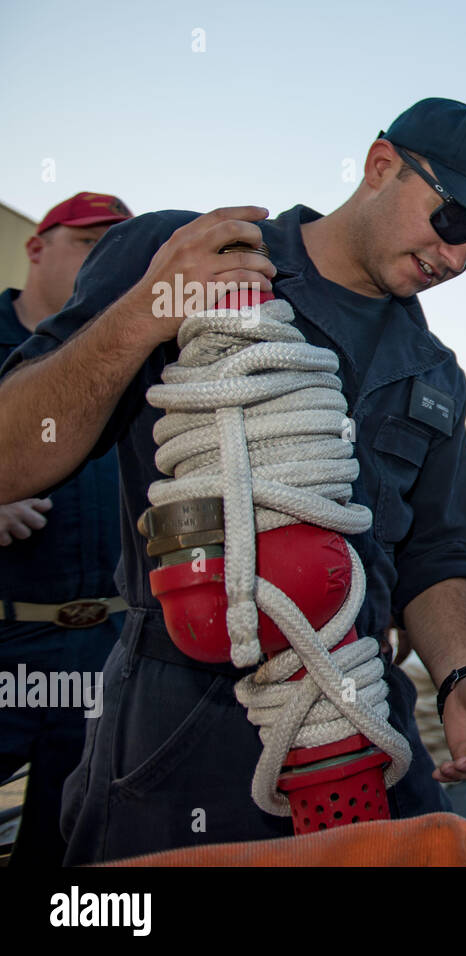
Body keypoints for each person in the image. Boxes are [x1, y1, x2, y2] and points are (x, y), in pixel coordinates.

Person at [0, 98, 466, 863]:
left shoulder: (436, 377)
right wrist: (148, 314)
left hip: (363, 712)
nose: (456, 261)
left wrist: (461, 672)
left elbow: (438, 555)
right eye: (453, 223)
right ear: (381, 165)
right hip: (184, 717)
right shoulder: (186, 253)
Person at [0, 193, 132, 864]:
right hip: (4, 636)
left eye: (115, 251)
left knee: (65, 843)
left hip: (102, 652)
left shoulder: (134, 364)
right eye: (87, 244)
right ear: (36, 247)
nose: (99, 263)